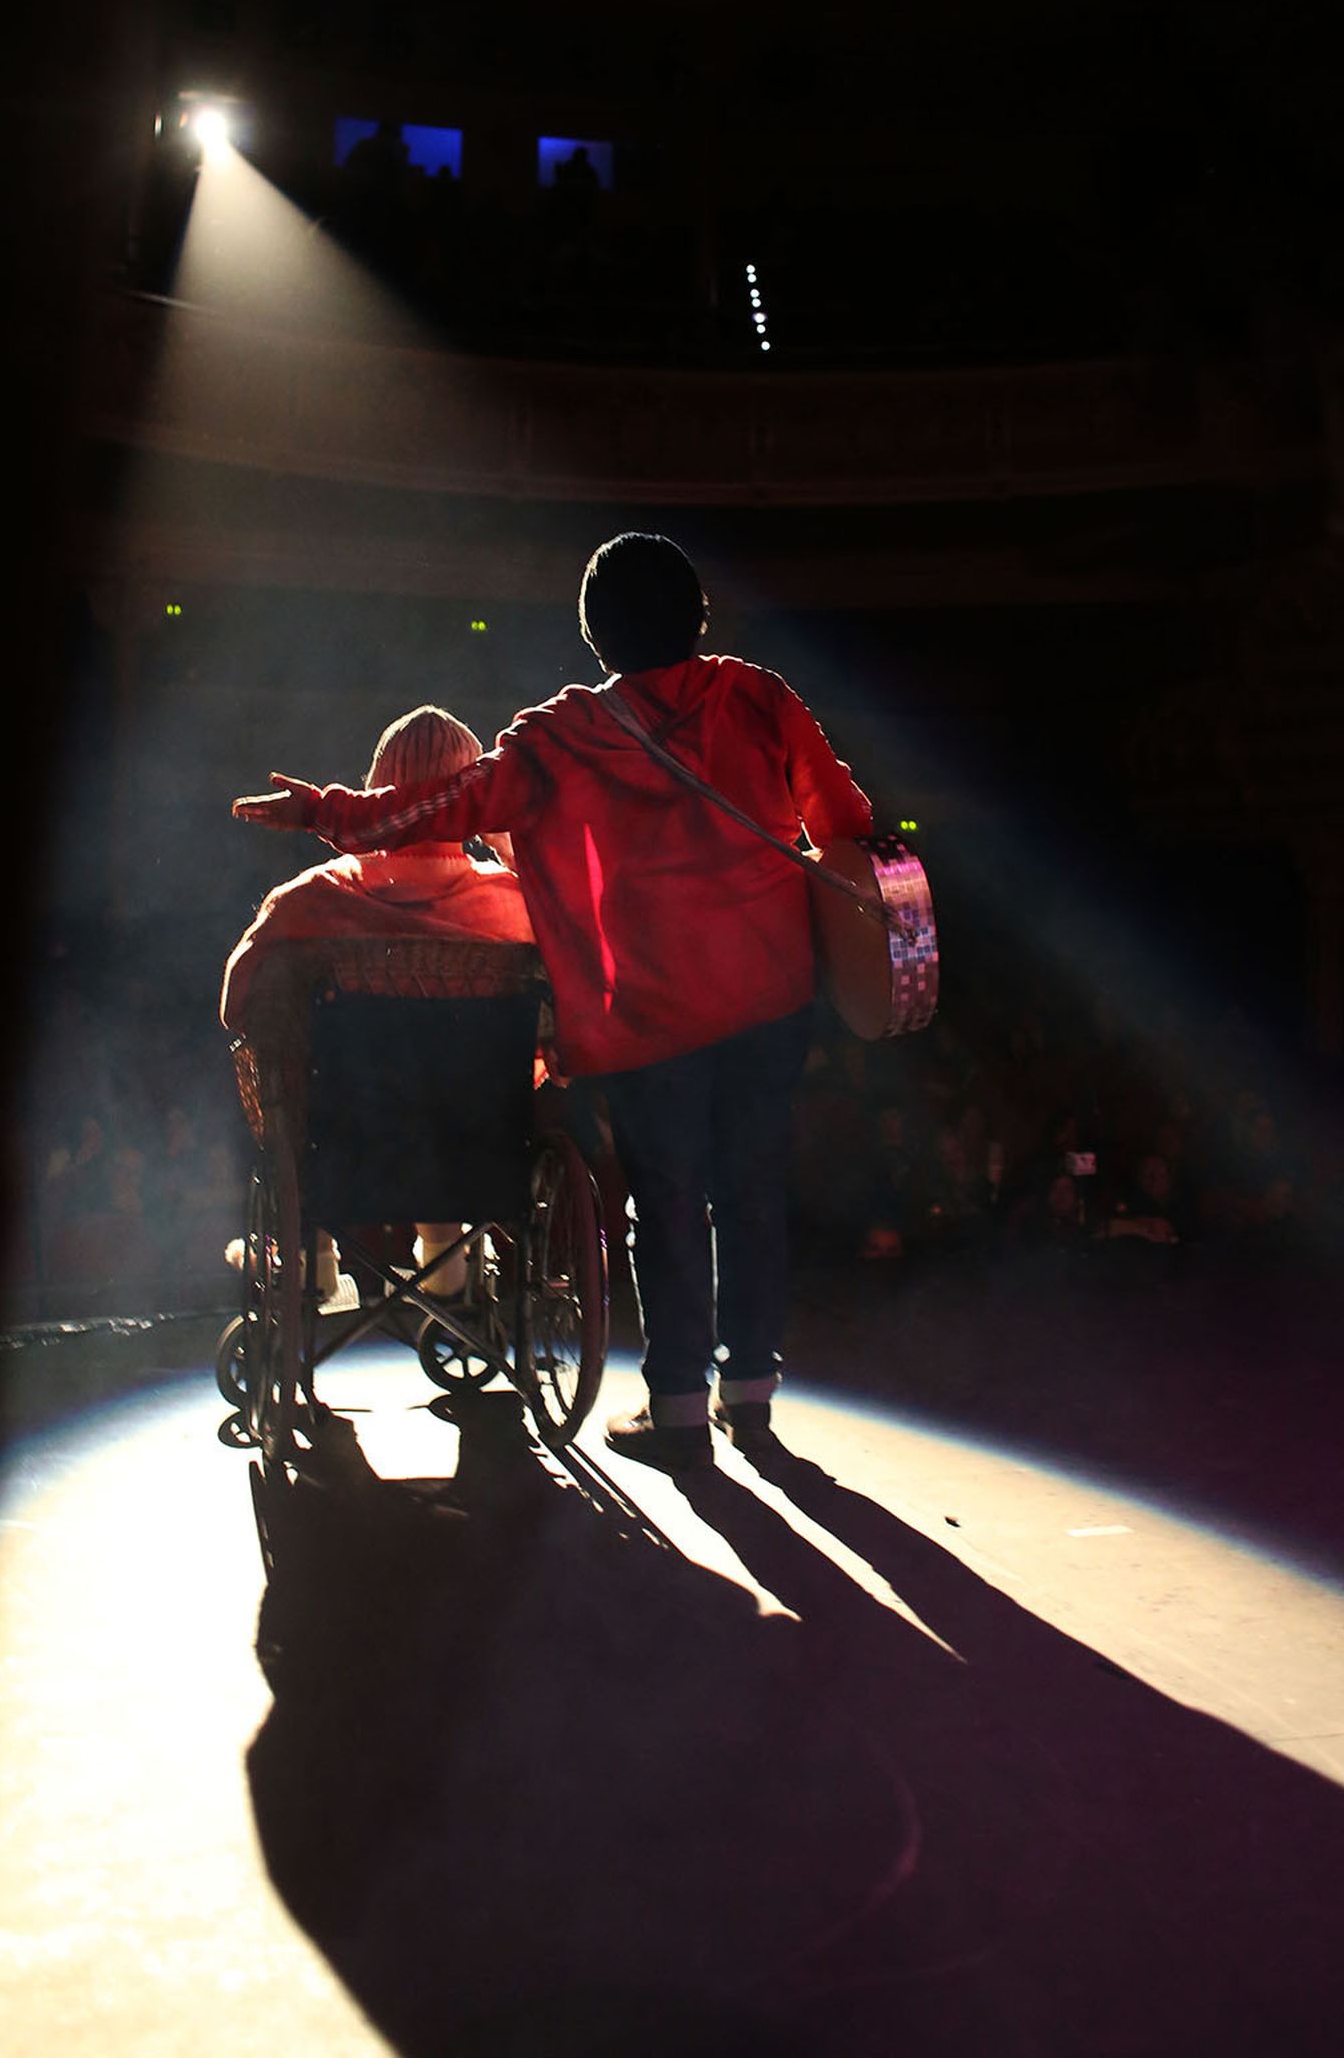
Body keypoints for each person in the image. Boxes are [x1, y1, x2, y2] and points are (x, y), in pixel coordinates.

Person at [233, 533, 873, 1470]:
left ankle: (679, 1408)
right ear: (699, 618)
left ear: (594, 635)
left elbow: (436, 809)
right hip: (770, 996)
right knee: (752, 1191)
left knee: (667, 1198)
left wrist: (325, 811)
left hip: (650, 1014)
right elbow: (847, 823)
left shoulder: (562, 735)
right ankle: (752, 1396)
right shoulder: (759, 697)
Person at [225, 705, 533, 1301]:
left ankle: (313, 1256)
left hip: (344, 1146)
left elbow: (240, 1008)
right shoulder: (512, 905)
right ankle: (447, 1258)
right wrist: (501, 837)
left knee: (291, 1082)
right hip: (474, 1144)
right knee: (453, 1091)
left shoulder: (309, 901)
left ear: (375, 789)